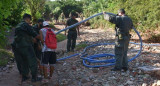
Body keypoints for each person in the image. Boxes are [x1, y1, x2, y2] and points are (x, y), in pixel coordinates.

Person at [13, 13, 42, 82]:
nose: (30, 21)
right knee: (33, 61)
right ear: (27, 19)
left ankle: (24, 76)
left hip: (18, 47)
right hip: (26, 46)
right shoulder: (26, 25)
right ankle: (34, 78)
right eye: (30, 20)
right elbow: (35, 35)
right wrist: (42, 38)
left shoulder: (18, 26)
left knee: (24, 61)